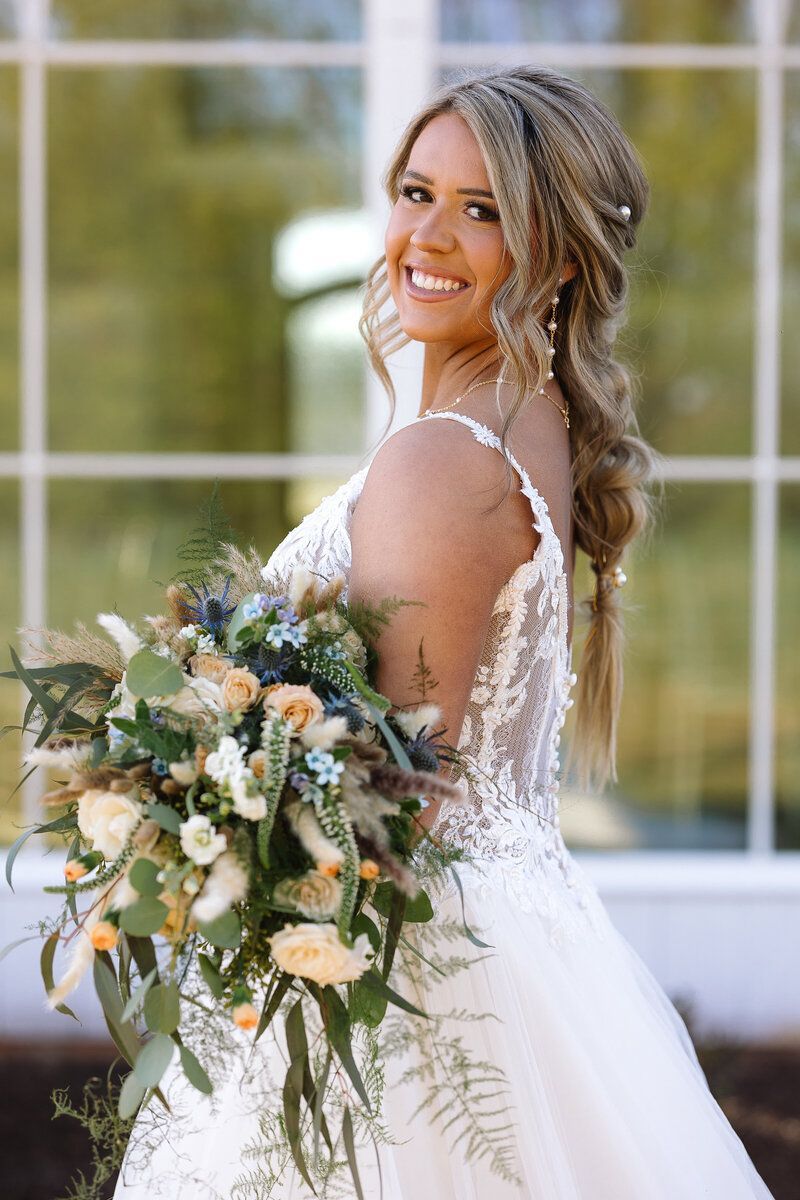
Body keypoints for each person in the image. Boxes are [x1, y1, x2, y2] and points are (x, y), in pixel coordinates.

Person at [114, 65, 775, 1198]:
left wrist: (200, 810)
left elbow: (388, 798)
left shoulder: (441, 460)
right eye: (416, 192)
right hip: (509, 935)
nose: (427, 234)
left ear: (558, 254)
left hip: (410, 993)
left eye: (481, 211)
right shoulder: (527, 421)